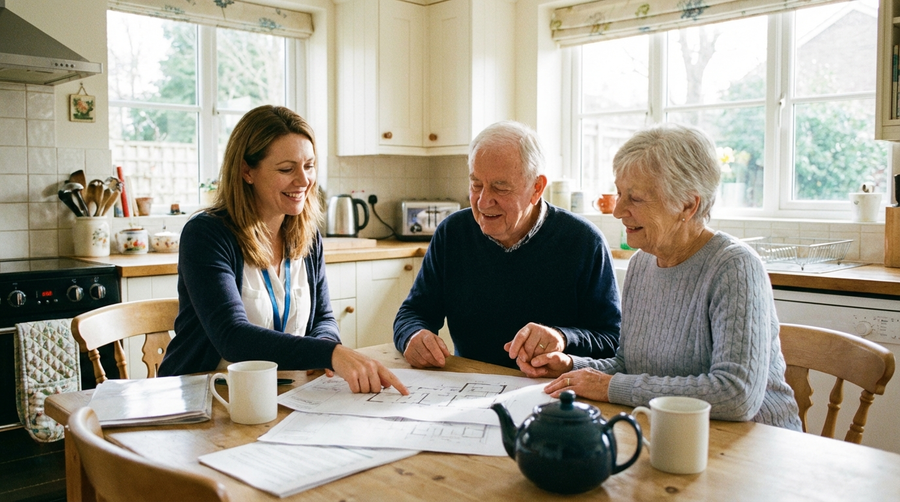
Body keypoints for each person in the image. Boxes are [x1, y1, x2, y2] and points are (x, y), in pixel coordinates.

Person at [523, 123, 801, 429]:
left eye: (636, 198)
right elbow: (629, 366)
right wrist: (571, 365)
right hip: (676, 434)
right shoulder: (642, 263)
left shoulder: (734, 267)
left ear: (687, 204)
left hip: (758, 444)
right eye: (619, 194)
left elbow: (736, 395)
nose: (618, 210)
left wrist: (607, 387)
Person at [159, 105, 407, 396]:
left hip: (282, 393)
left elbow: (323, 318)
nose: (303, 181)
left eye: (309, 166)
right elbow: (232, 338)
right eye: (287, 169)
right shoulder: (207, 234)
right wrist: (329, 353)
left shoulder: (308, 234)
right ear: (247, 171)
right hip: (203, 396)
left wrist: (325, 344)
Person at [393, 121, 621, 370]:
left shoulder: (584, 242)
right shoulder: (453, 233)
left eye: (500, 188)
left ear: (536, 188)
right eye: (476, 185)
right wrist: (412, 336)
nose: (483, 201)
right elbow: (413, 313)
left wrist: (563, 337)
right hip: (469, 383)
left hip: (550, 390)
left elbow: (612, 339)